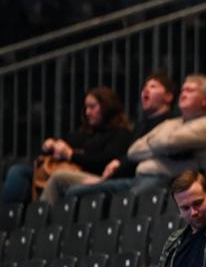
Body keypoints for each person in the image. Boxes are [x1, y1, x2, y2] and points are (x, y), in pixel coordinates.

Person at [69, 74, 206, 198]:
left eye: (190, 91)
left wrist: (155, 143)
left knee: (127, 204)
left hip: (171, 183)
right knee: (74, 192)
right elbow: (134, 151)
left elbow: (167, 143)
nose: (183, 94)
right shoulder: (172, 123)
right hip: (141, 177)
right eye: (183, 90)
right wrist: (161, 146)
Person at [42, 72, 177, 203]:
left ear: (168, 96)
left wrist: (109, 173)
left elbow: (127, 158)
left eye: (153, 86)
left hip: (145, 178)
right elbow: (126, 157)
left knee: (66, 184)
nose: (145, 90)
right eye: (145, 87)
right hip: (117, 176)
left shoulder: (171, 123)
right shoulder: (140, 125)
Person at [4, 85, 133, 203]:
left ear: (107, 106)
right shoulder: (84, 133)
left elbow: (105, 160)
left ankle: (39, 220)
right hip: (66, 169)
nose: (88, 112)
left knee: (58, 177)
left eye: (92, 107)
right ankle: (9, 219)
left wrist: (71, 155)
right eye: (86, 108)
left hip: (92, 174)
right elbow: (65, 144)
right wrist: (50, 146)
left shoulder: (120, 133)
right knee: (18, 171)